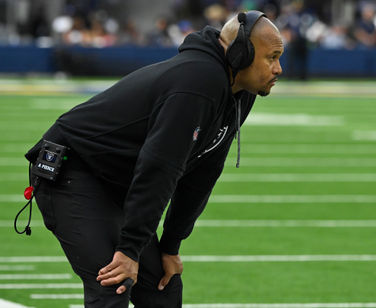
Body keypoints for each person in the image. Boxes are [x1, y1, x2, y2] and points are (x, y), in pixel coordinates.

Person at [23, 10, 283, 308]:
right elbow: (160, 167)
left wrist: (171, 245)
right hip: (73, 169)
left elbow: (204, 170)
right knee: (114, 283)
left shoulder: (240, 90)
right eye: (271, 57)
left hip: (113, 178)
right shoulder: (199, 83)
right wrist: (130, 250)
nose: (278, 69)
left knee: (163, 288)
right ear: (240, 54)